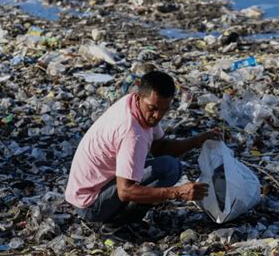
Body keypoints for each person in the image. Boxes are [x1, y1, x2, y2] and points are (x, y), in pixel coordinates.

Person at [65, 71, 218, 234]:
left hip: (89, 189)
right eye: (152, 109)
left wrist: (197, 140)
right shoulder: (133, 133)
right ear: (139, 97)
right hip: (90, 204)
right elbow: (126, 191)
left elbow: (161, 148)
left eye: (163, 110)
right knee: (170, 169)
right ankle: (115, 225)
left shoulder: (131, 104)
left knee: (171, 166)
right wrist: (177, 193)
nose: (157, 116)